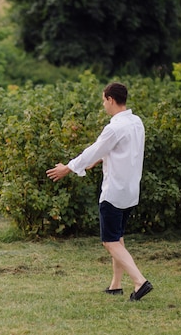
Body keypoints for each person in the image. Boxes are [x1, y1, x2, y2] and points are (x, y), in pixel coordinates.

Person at [46, 82, 153, 301]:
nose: (103, 105)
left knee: (110, 241)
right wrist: (99, 158)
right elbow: (121, 150)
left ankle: (139, 281)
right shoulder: (136, 122)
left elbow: (94, 149)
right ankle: (115, 285)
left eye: (104, 101)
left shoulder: (114, 127)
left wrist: (67, 167)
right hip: (131, 191)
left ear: (111, 99)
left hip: (114, 192)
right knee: (118, 237)